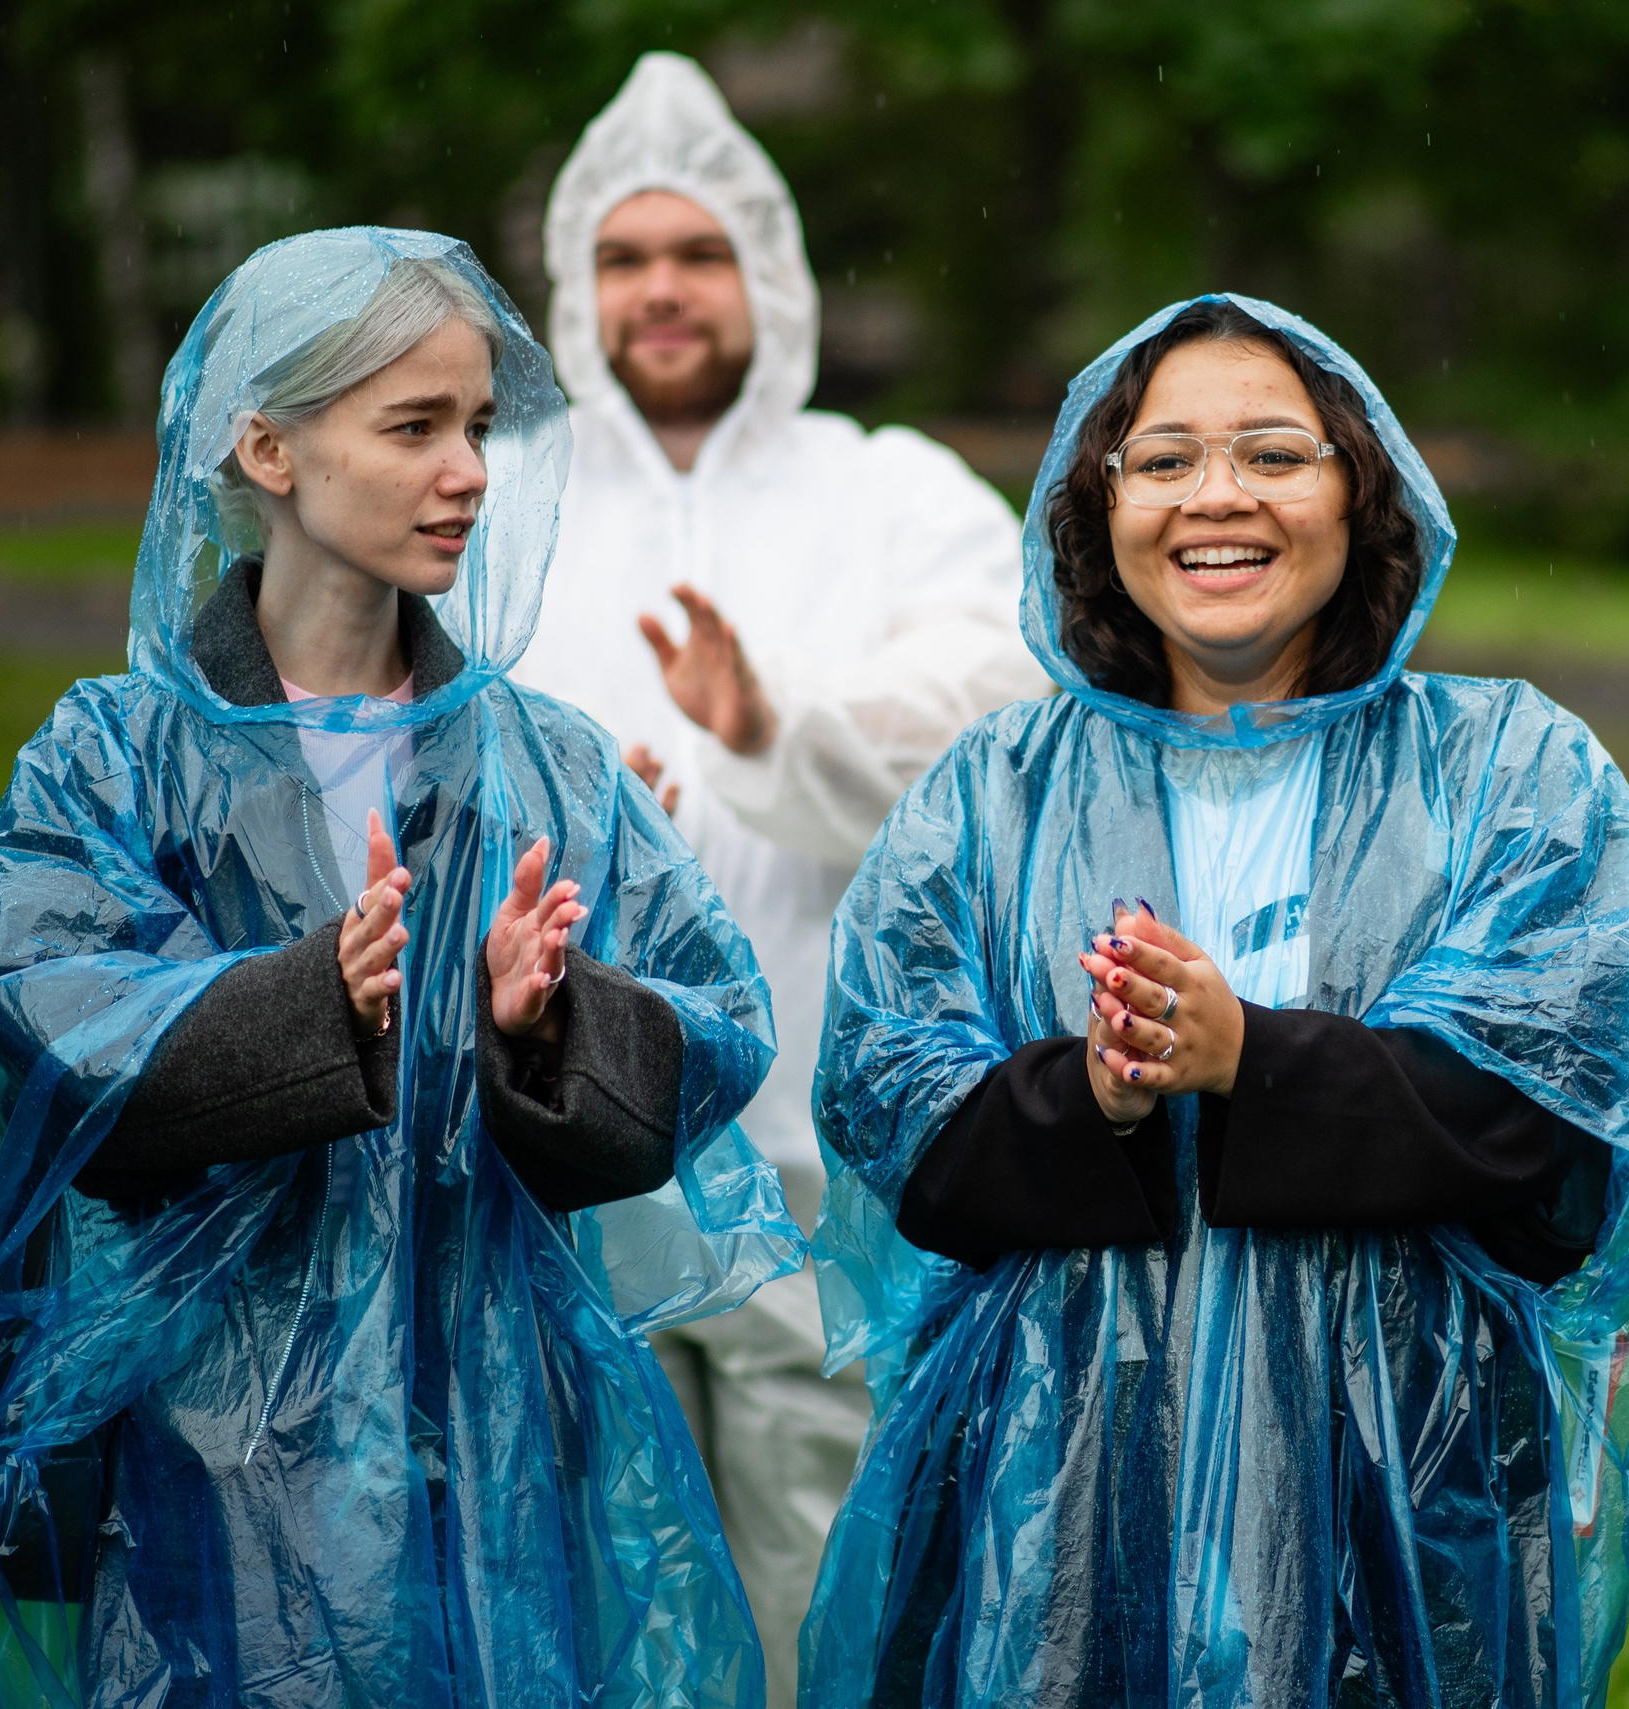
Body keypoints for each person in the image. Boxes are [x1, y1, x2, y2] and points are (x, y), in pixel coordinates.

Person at [798, 294, 1629, 1707]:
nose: (1214, 496)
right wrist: (1091, 1097)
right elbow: (892, 1100)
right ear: (1097, 503)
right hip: (1057, 1487)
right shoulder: (994, 793)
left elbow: (1548, 1121)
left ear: (1365, 488)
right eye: (1162, 459)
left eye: (1275, 455)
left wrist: (1253, 1063)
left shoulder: (1510, 774)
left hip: (1403, 1481)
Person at [0, 228, 801, 1708]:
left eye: (477, 424)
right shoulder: (114, 759)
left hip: (499, 1439)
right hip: (215, 1450)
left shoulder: (546, 766)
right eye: (412, 427)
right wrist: (313, 1006)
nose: (469, 470)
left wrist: (548, 1026)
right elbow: (50, 1021)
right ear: (265, 447)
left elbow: (718, 1022)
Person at [508, 55, 1045, 1699]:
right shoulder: (498, 501)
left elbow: (999, 703)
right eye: (621, 256)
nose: (659, 289)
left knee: (830, 1574)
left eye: (696, 253)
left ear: (773, 277)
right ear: (573, 289)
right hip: (547, 1141)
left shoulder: (883, 490)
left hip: (821, 1143)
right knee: (584, 1564)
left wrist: (778, 729)